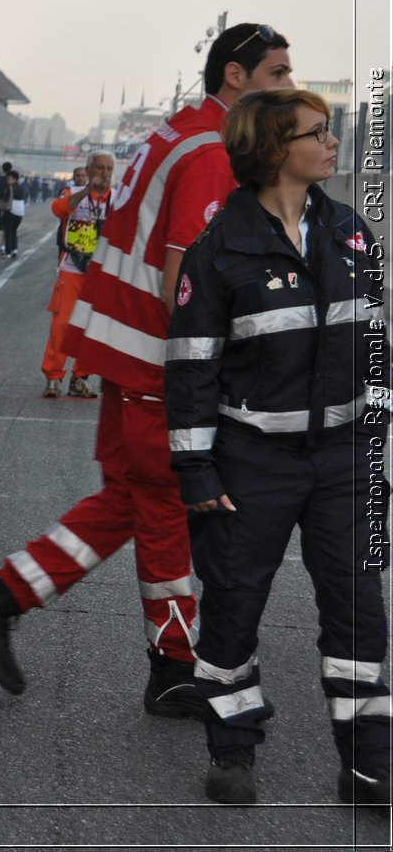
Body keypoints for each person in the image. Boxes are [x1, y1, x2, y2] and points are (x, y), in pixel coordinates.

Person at [0, 22, 296, 717]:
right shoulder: (210, 150)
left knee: (132, 502)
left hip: (123, 348)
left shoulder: (175, 133)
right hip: (158, 357)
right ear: (234, 76)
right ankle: (170, 665)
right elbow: (187, 282)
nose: (289, 86)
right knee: (163, 500)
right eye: (278, 73)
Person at [166, 89, 389, 807]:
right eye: (316, 134)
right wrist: (196, 468)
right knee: (234, 605)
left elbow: (378, 347)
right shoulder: (217, 250)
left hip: (343, 462)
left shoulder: (353, 232)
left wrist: (376, 444)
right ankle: (232, 747)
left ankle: (368, 764)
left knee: (360, 610)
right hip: (250, 460)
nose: (332, 143)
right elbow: (192, 366)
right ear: (271, 152)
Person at [41, 152, 114, 398]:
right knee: (61, 325)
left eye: (108, 169)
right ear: (89, 169)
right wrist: (86, 190)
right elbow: (58, 209)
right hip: (72, 268)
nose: (104, 173)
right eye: (99, 168)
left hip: (100, 273)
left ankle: (80, 377)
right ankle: (53, 377)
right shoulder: (73, 194)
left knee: (93, 328)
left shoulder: (117, 199)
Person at [4, 170, 26, 253]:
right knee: (14, 231)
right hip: (20, 212)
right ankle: (15, 249)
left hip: (11, 210)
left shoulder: (10, 187)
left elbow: (5, 198)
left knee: (8, 232)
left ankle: (8, 251)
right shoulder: (21, 187)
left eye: (9, 178)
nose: (8, 180)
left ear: (14, 179)